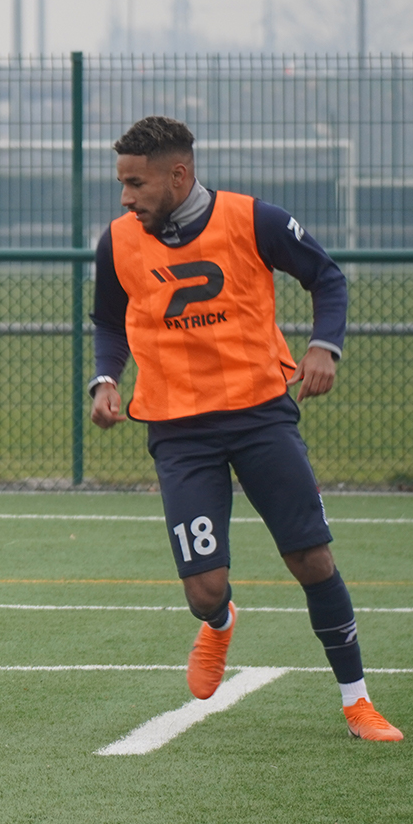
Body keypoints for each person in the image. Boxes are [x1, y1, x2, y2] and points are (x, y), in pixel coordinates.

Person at [89, 115, 401, 742]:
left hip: (260, 417)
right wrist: (104, 379)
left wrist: (324, 347)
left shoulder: (253, 219)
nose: (125, 197)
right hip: (179, 432)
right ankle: (220, 621)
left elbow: (327, 277)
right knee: (204, 590)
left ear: (179, 175)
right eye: (121, 183)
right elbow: (108, 321)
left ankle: (357, 701)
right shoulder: (117, 241)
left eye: (136, 183)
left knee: (311, 558)